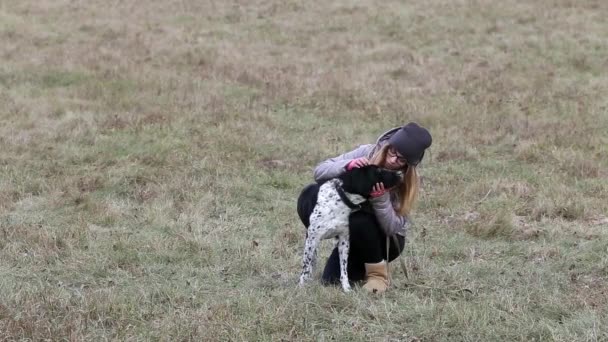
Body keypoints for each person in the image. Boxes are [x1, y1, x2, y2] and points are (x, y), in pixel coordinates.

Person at [296, 122, 432, 294]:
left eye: (401, 159)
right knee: (312, 193)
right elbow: (319, 171)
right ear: (388, 146)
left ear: (409, 164)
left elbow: (393, 228)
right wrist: (347, 165)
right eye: (392, 152)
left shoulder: (404, 181)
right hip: (355, 233)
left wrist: (381, 199)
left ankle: (377, 274)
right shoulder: (367, 152)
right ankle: (315, 241)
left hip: (385, 242)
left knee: (358, 219)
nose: (392, 160)